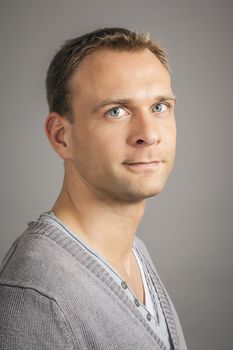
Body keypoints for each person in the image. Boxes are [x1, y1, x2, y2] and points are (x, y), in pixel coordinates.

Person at [0, 27, 187, 350]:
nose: (148, 134)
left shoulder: (134, 253)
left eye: (159, 107)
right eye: (116, 111)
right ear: (61, 136)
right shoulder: (36, 297)